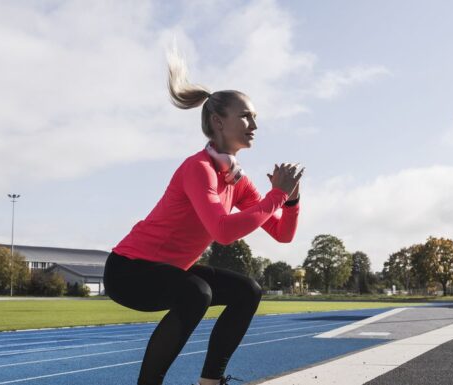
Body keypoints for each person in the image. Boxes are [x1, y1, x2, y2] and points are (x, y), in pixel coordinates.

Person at [103, 49, 304, 385]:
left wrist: (292, 201)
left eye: (254, 118)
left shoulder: (236, 180)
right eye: (246, 117)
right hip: (129, 271)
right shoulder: (199, 169)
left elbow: (282, 233)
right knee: (197, 293)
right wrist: (277, 196)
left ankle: (210, 381)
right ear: (218, 122)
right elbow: (222, 231)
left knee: (248, 290)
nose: (254, 125)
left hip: (168, 271)